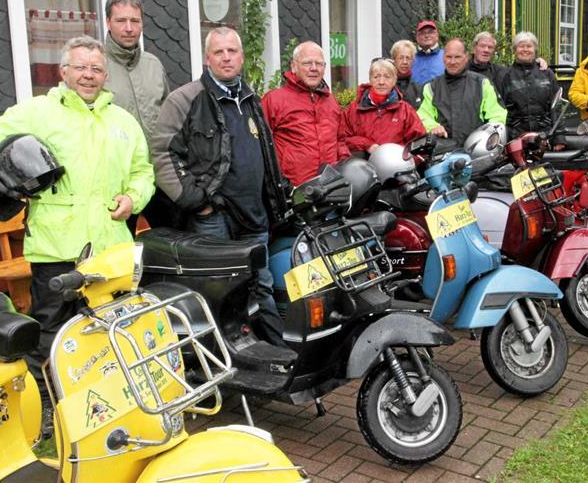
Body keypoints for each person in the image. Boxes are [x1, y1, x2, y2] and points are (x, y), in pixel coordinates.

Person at [0, 35, 155, 426]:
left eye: (97, 68)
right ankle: (45, 406)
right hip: (56, 247)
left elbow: (143, 172)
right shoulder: (38, 113)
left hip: (110, 249)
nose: (89, 75)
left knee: (111, 328)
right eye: (80, 67)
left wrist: (134, 198)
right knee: (51, 330)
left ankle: (107, 402)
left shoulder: (123, 121)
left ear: (106, 74)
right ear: (63, 72)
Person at [151, 27, 290, 347]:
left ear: (241, 57)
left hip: (253, 214)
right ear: (207, 58)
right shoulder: (185, 99)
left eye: (232, 51)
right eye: (219, 52)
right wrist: (195, 200)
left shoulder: (251, 98)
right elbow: (162, 152)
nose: (226, 57)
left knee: (260, 285)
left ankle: (275, 354)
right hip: (213, 218)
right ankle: (220, 362)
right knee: (217, 291)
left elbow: (265, 152)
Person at [103, 0, 173, 232]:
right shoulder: (97, 67)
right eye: (121, 21)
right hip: (118, 181)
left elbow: (168, 117)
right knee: (121, 253)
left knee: (172, 245)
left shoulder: (153, 64)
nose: (129, 28)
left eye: (135, 21)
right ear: (108, 23)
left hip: (159, 174)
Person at [262, 41, 350, 186]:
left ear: (325, 67)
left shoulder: (331, 101)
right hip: (293, 190)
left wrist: (346, 169)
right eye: (307, 63)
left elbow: (340, 141)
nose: (314, 68)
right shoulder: (273, 100)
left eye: (319, 64)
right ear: (294, 66)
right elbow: (262, 146)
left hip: (330, 188)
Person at [417, 38, 507, 146]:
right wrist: (432, 127)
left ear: (466, 57)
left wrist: (487, 138)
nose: (453, 61)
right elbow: (422, 116)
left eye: (457, 57)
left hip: (476, 152)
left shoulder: (482, 84)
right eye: (449, 57)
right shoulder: (431, 87)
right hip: (442, 152)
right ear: (443, 58)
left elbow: (497, 116)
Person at [341, 58, 427, 156]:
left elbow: (420, 144)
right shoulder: (353, 109)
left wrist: (403, 159)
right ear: (370, 80)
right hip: (362, 168)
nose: (381, 82)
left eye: (387, 77)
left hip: (396, 167)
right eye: (376, 77)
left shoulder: (405, 111)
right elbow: (341, 139)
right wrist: (367, 145)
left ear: (394, 80)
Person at [499, 31, 560, 139]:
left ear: (535, 50)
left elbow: (557, 107)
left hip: (545, 135)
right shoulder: (506, 76)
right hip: (515, 136)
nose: (525, 50)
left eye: (529, 46)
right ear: (514, 50)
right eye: (521, 46)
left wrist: (559, 138)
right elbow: (500, 109)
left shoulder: (546, 73)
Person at [469, 31, 549, 93]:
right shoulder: (462, 70)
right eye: (482, 46)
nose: (486, 50)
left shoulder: (501, 72)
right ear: (473, 49)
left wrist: (535, 63)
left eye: (490, 47)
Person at [391, 39, 423, 108]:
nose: (405, 62)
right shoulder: (385, 86)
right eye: (401, 58)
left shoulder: (419, 89)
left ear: (413, 61)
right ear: (394, 59)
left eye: (408, 58)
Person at [411, 20, 445, 85]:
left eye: (430, 32)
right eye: (422, 33)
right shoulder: (410, 58)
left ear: (437, 35)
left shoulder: (447, 56)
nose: (426, 35)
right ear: (417, 37)